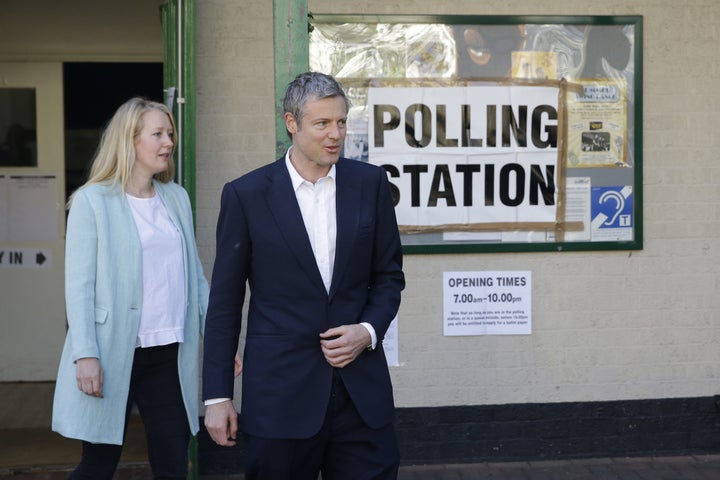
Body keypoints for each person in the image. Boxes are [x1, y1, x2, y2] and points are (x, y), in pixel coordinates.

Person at [202, 71, 405, 479]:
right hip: (280, 398)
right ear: (291, 123)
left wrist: (367, 330)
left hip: (361, 398)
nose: (336, 135)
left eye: (342, 122)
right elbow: (225, 302)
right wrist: (217, 395)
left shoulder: (371, 184)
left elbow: (389, 277)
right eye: (323, 124)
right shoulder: (246, 195)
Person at [52, 97, 212, 480]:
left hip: (170, 353)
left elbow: (195, 275)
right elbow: (79, 286)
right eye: (157, 134)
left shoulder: (176, 197)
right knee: (99, 463)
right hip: (111, 351)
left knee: (174, 462)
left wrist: (217, 335)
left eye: (169, 133)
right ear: (130, 140)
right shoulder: (93, 201)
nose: (168, 142)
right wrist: (85, 354)